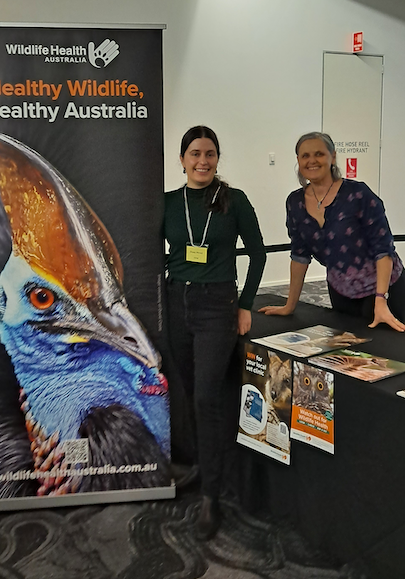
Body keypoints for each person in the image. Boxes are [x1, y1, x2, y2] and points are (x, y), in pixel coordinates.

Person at [164, 125, 266, 540]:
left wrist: (245, 306)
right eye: (194, 153)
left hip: (217, 306)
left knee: (207, 396)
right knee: (188, 394)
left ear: (218, 158)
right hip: (176, 304)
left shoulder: (233, 200)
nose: (202, 161)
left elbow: (258, 254)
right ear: (183, 159)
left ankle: (212, 495)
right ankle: (199, 468)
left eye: (209, 153)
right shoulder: (168, 203)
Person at [259, 131, 405, 331]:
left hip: (386, 291)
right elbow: (300, 256)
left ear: (332, 156)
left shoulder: (358, 194)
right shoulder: (295, 203)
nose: (312, 161)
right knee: (351, 356)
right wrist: (289, 306)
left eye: (319, 154)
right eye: (305, 156)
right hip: (341, 292)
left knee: (391, 356)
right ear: (298, 161)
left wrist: (381, 299)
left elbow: (383, 249)